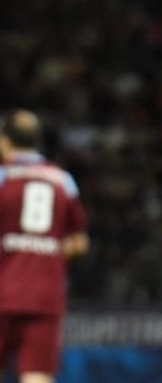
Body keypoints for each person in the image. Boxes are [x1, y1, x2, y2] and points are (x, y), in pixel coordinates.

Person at [0, 110, 89, 383]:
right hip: (45, 294)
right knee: (37, 375)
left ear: (5, 141)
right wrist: (45, 251)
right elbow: (78, 243)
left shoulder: (2, 177)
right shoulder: (63, 180)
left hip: (2, 290)